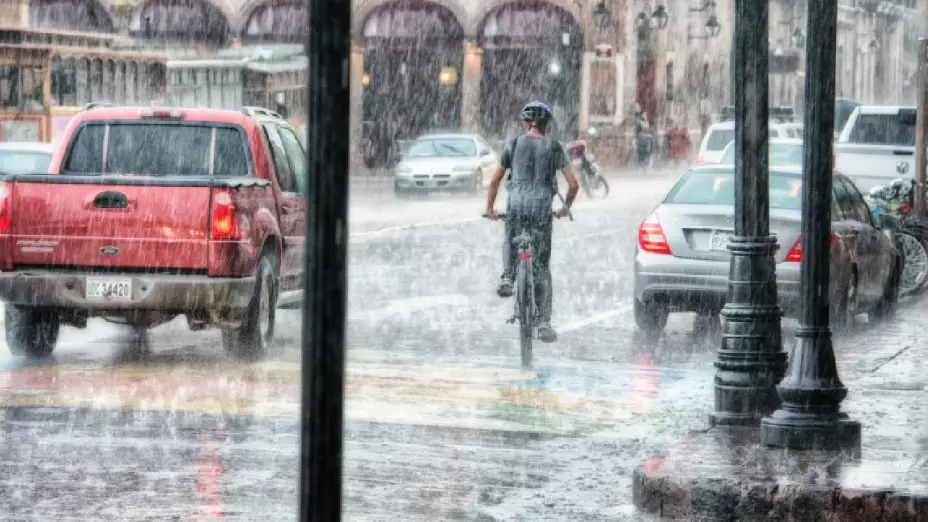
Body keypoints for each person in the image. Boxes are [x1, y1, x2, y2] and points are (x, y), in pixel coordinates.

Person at [483, 101, 580, 343]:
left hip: (516, 205)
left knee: (510, 236)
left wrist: (489, 209)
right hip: (541, 210)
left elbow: (495, 181)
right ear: (547, 125)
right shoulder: (555, 147)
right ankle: (544, 322)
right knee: (542, 268)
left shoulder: (514, 144)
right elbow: (574, 184)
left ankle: (507, 277)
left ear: (526, 123)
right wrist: (564, 207)